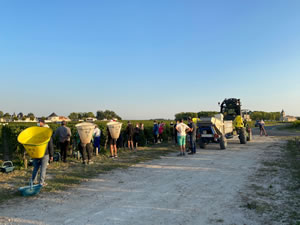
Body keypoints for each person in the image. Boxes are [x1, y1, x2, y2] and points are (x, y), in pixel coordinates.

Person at [32, 119, 53, 186]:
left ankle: (33, 181)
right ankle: (41, 182)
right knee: (43, 169)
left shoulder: (36, 135)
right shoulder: (48, 136)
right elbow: (50, 146)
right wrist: (51, 155)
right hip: (45, 154)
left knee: (35, 168)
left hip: (36, 153)